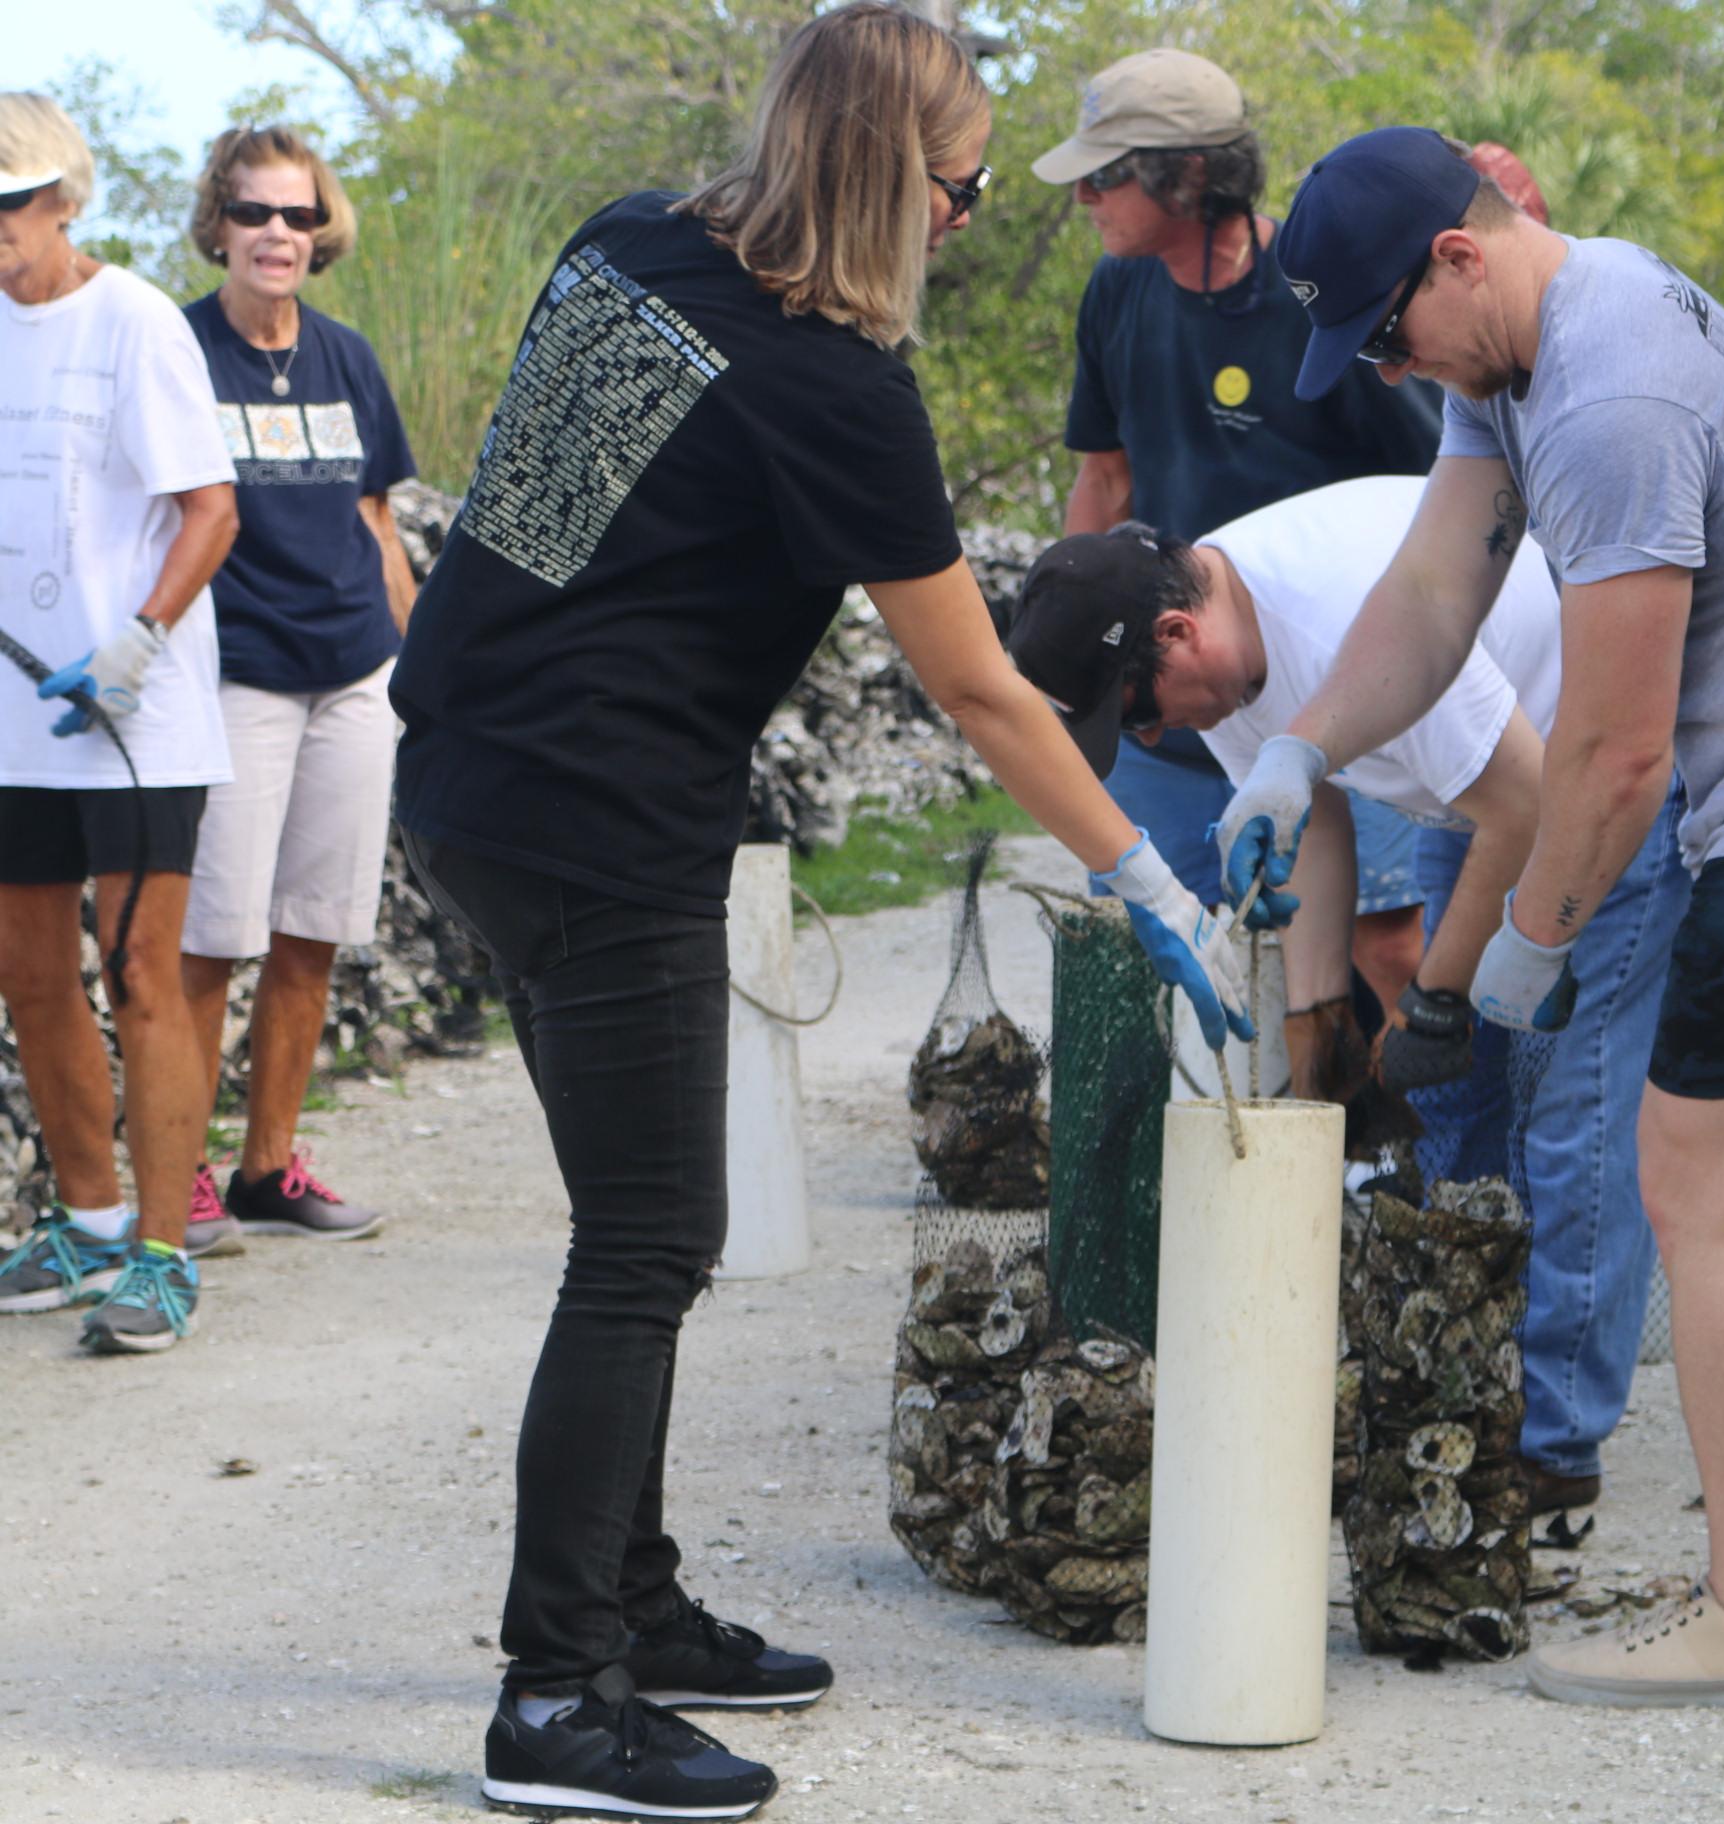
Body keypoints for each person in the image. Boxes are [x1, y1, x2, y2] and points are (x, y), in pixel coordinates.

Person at [388, 11, 1248, 1817]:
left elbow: (541, 527)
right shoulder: (832, 381)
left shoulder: (638, 244)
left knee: (643, 1224)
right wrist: (1145, 871)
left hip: (476, 770)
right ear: (888, 175)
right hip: (594, 815)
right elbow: (985, 692)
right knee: (645, 1238)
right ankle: (557, 1699)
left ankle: (631, 1599)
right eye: (964, 180)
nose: (974, 213)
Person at [1236, 127, 1724, 1705]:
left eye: (1388, 336)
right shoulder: (1531, 342)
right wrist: (1300, 744)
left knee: (1690, 1172)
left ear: (1461, 256)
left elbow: (1612, 750)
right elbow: (1434, 591)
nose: (1390, 371)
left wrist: (1526, 945)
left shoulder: (1611, 399)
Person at [1005, 475, 1687, 1537]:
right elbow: (1308, 806)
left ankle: (1553, 1447)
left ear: (1177, 635)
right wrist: (1317, 1025)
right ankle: (1474, 1393)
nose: (1144, 741)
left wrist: (1432, 998)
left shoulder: (1342, 607)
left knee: (1573, 1112)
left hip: (1593, 777)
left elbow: (1526, 802)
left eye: (1136, 712)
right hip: (1486, 783)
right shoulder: (1226, 652)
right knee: (1460, 1112)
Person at [1033, 48, 1443, 1011]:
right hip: (1163, 690)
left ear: (1184, 175)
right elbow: (1105, 479)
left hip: (1338, 684)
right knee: (1147, 941)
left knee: (1382, 949)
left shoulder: (1315, 295)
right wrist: (1062, 665)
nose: (1083, 199)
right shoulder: (1117, 291)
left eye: (1101, 175)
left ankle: (1395, 1160)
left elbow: (1432, 492)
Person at [0, 93, 239, 1355]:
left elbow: (211, 510)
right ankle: (86, 1224)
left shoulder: (136, 321)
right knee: (29, 976)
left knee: (139, 971)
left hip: (132, 709)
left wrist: (136, 641)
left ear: (64, 198)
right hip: (11, 719)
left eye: (7, 203)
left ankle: (161, 1252)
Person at [178, 125, 417, 1250]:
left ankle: (267, 1170)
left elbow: (378, 522)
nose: (278, 233)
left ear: (322, 233)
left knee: (311, 933)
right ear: (218, 225)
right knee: (211, 939)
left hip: (354, 675)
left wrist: (422, 668)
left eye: (299, 214)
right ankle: (174, 1176)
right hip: (236, 679)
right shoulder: (179, 354)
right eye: (256, 212)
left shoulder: (349, 358)